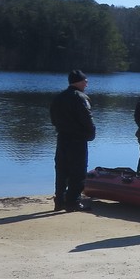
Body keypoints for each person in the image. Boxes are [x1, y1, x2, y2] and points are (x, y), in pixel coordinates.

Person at [49, 69, 96, 212]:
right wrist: (91, 134)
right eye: (85, 82)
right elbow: (87, 119)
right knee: (78, 171)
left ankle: (59, 200)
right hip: (77, 140)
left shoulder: (59, 97)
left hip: (62, 138)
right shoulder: (80, 98)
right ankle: (73, 201)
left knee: (61, 170)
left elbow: (53, 118)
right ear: (80, 82)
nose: (87, 85)